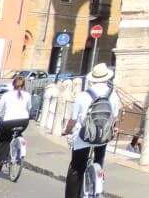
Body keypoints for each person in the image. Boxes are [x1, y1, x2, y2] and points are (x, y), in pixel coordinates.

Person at [62, 63, 121, 198]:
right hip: (103, 136)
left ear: (92, 79)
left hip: (84, 137)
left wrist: (66, 130)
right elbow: (115, 117)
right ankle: (98, 174)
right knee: (99, 158)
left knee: (76, 168)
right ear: (107, 78)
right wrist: (114, 128)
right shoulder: (113, 95)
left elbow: (73, 120)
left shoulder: (83, 96)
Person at [0, 74, 31, 165]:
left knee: (3, 137)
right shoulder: (27, 95)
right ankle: (18, 154)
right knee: (18, 133)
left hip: (9, 122)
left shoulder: (6, 95)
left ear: (13, 84)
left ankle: (0, 160)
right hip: (24, 122)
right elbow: (29, 108)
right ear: (24, 85)